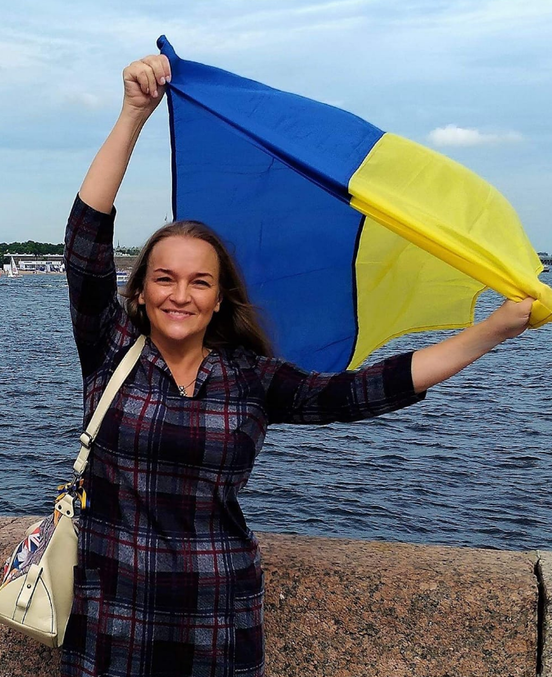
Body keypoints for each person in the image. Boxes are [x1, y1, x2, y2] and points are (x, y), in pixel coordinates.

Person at [61, 54, 533, 677]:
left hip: (217, 622)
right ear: (141, 292)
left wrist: (491, 331)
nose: (181, 295)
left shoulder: (251, 378)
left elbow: (365, 391)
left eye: (200, 282)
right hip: (111, 618)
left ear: (220, 297)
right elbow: (86, 238)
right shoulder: (111, 348)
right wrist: (132, 115)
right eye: (165, 278)